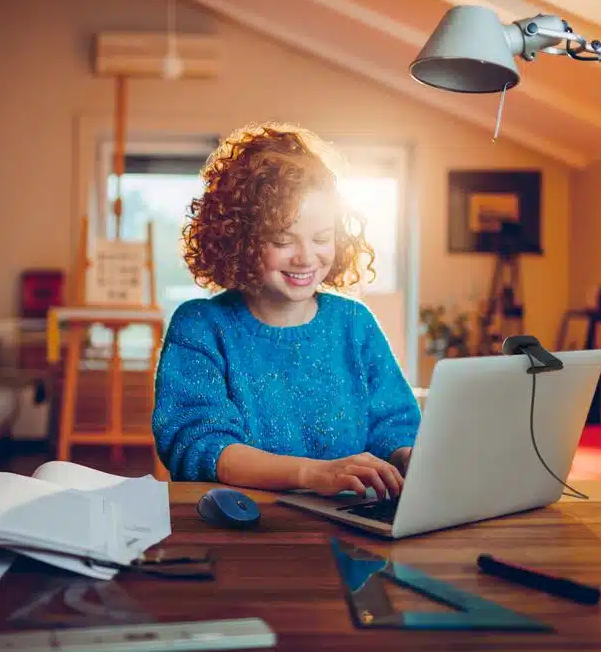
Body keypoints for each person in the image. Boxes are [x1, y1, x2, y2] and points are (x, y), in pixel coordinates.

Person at [151, 122, 421, 499]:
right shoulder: (201, 327)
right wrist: (314, 474)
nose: (306, 258)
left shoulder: (355, 324)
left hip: (352, 531)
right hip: (244, 528)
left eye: (322, 238)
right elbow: (199, 447)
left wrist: (413, 459)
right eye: (282, 240)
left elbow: (394, 426)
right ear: (240, 240)